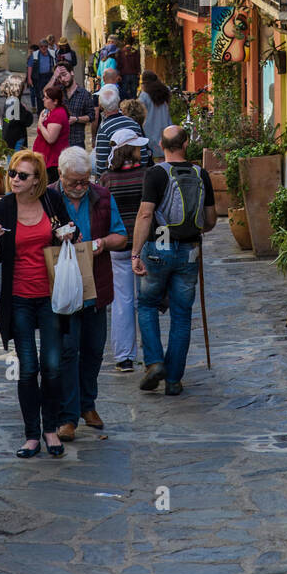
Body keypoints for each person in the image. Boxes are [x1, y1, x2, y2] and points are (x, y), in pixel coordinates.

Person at [0, 150, 66, 459]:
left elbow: (71, 232)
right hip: (18, 297)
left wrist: (66, 235)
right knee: (28, 368)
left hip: (50, 296)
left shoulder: (51, 202)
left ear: (36, 181)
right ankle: (32, 435)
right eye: (13, 173)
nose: (14, 179)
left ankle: (51, 429)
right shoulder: (2, 209)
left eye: (22, 175)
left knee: (53, 366)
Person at [130, 125, 217, 396]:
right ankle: (174, 380)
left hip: (159, 247)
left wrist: (135, 253)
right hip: (189, 249)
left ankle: (154, 362)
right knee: (181, 315)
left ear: (160, 144)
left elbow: (145, 215)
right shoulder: (201, 174)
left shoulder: (155, 174)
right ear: (186, 143)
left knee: (146, 305)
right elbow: (211, 219)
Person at [48, 148, 127, 440]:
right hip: (63, 288)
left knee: (94, 350)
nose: (80, 187)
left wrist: (102, 243)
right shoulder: (48, 198)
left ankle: (87, 404)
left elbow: (121, 235)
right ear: (60, 175)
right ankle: (68, 417)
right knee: (69, 352)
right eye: (74, 182)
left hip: (96, 286)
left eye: (85, 180)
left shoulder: (102, 196)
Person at [99, 133, 147, 371]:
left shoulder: (106, 179)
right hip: (143, 244)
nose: (141, 151)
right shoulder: (145, 175)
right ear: (130, 151)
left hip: (118, 245)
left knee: (122, 301)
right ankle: (151, 356)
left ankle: (124, 357)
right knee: (145, 301)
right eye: (137, 148)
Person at [94, 83, 151, 176]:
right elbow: (143, 155)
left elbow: (101, 163)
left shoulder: (104, 129)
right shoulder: (134, 124)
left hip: (116, 179)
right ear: (119, 101)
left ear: (101, 106)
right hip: (137, 176)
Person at [33, 82, 70, 183]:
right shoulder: (50, 111)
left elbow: (50, 138)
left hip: (52, 161)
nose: (43, 99)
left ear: (55, 101)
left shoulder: (57, 114)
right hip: (45, 160)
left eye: (46, 98)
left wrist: (40, 124)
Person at [54, 64, 97, 149]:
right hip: (59, 141)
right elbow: (44, 94)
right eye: (59, 77)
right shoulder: (58, 91)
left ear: (72, 73)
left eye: (64, 75)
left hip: (77, 141)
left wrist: (76, 119)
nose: (62, 79)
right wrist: (53, 77)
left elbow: (91, 116)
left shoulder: (84, 94)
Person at [137, 71, 174, 161]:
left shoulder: (144, 96)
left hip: (150, 130)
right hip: (165, 128)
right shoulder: (165, 92)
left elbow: (139, 111)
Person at [1, 73, 32, 153]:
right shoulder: (16, 104)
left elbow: (7, 121)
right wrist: (26, 111)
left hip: (8, 139)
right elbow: (27, 121)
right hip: (17, 139)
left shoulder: (8, 101)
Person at [27, 38, 58, 112]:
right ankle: (40, 111)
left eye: (45, 46)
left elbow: (56, 65)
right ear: (39, 47)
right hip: (38, 77)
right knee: (39, 95)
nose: (43, 48)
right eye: (41, 46)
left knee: (50, 94)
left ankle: (49, 110)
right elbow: (30, 66)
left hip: (49, 76)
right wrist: (29, 78)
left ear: (47, 46)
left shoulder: (52, 53)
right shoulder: (35, 54)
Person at [117, 35, 141, 101]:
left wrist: (118, 74)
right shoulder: (135, 52)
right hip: (134, 74)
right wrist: (138, 72)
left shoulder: (121, 52)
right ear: (132, 42)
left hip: (124, 74)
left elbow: (119, 64)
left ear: (124, 42)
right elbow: (138, 63)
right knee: (133, 94)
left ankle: (125, 107)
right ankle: (133, 107)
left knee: (124, 94)